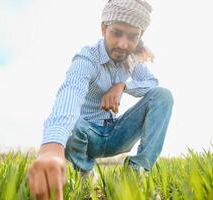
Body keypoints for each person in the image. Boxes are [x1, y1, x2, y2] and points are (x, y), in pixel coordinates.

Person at [27, 0, 174, 199]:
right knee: (72, 122)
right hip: (87, 136)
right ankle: (86, 174)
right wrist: (51, 149)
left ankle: (136, 174)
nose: (123, 44)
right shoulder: (87, 58)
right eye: (116, 33)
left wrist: (123, 86)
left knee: (163, 95)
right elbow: (69, 95)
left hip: (116, 133)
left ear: (140, 36)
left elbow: (152, 84)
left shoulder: (132, 59)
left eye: (132, 37)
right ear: (104, 28)